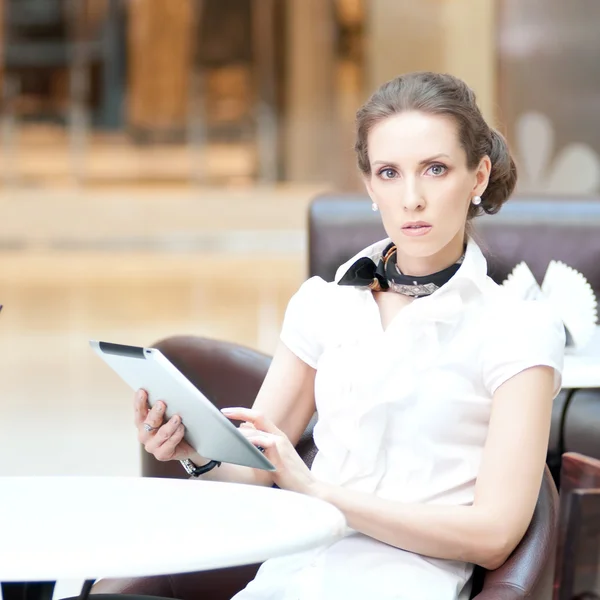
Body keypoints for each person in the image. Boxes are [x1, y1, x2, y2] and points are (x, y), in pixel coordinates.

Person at [134, 72, 565, 600]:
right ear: (368, 185)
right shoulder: (323, 303)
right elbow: (255, 474)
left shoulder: (517, 327)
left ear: (478, 177)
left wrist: (319, 493)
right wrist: (193, 452)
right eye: (389, 172)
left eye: (435, 169)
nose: (411, 199)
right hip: (285, 579)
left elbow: (495, 537)